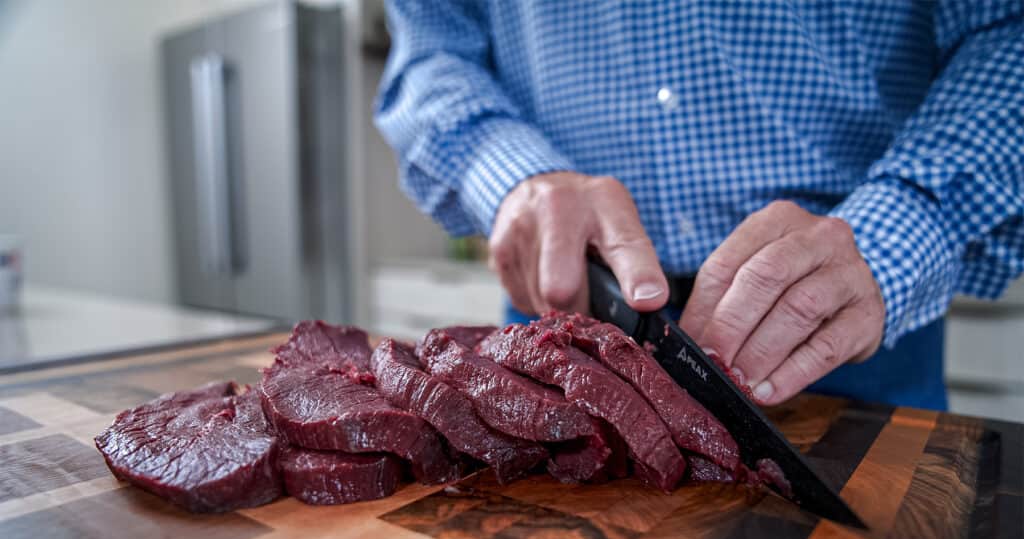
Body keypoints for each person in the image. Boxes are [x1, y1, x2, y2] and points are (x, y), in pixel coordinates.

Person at [374, 1, 1023, 410]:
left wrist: (898, 228)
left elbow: (1008, 32)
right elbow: (432, 51)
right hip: (567, 318)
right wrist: (511, 175)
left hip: (843, 326)